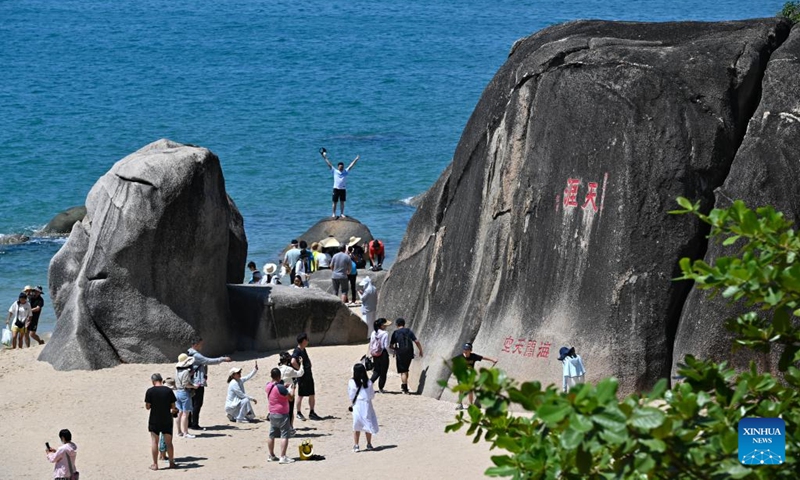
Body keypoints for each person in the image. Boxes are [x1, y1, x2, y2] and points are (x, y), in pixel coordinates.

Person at [186, 338, 232, 431]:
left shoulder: (188, 353)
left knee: (191, 403)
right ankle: (194, 424)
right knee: (197, 404)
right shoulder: (196, 355)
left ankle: (189, 423)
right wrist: (223, 359)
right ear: (195, 344)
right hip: (197, 382)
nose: (202, 346)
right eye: (200, 344)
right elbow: (208, 361)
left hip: (191, 381)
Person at [145, 373, 177, 470]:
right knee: (169, 442)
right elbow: (173, 407)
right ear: (161, 380)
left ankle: (155, 464)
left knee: (155, 442)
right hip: (166, 418)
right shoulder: (168, 390)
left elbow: (147, 407)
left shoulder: (150, 391)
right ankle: (171, 463)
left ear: (153, 381)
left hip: (154, 419)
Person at [265, 367, 295, 464]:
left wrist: (284, 387)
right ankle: (283, 456)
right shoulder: (281, 387)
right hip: (282, 414)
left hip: (272, 414)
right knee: (285, 435)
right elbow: (290, 398)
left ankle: (271, 455)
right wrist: (292, 390)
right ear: (279, 376)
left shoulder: (268, 386)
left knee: (271, 435)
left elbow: (276, 390)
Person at [320, 147, 360, 218]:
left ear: (343, 167)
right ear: (338, 167)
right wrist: (324, 157)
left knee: (342, 202)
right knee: (334, 202)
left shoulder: (345, 171)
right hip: (336, 189)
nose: (341, 168)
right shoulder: (335, 171)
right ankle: (333, 214)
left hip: (343, 189)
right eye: (340, 167)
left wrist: (356, 159)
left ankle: (342, 213)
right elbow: (329, 164)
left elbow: (351, 165)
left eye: (342, 167)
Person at [456, 343, 497, 410]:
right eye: (464, 349)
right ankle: (460, 404)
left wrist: (492, 359)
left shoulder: (473, 356)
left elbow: (483, 357)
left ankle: (471, 405)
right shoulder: (459, 357)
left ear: (470, 350)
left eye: (467, 350)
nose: (465, 351)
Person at [291, 332, 322, 421]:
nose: (308, 341)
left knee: (312, 394)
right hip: (303, 376)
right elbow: (293, 361)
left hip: (308, 375)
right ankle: (298, 413)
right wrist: (300, 370)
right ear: (303, 341)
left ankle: (312, 412)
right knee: (301, 395)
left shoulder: (303, 349)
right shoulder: (297, 350)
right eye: (307, 339)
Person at [349, 363, 378, 453]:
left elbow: (351, 395)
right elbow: (371, 395)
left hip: (357, 404)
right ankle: (369, 443)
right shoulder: (368, 382)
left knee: (356, 424)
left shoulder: (352, 382)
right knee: (368, 422)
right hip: (367, 404)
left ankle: (356, 445)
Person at [389, 318, 423, 394]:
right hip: (409, 353)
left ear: (397, 324)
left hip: (400, 353)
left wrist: (395, 348)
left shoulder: (395, 333)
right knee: (406, 369)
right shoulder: (408, 331)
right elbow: (416, 341)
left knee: (403, 371)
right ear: (404, 324)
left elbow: (391, 346)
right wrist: (420, 350)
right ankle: (404, 384)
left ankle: (405, 389)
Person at [277, 351, 304, 433]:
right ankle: (289, 427)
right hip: (289, 392)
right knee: (290, 410)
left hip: (278, 391)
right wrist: (301, 363)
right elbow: (300, 373)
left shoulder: (277, 369)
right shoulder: (289, 369)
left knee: (281, 410)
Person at [174, 353, 197, 438]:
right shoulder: (186, 372)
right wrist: (194, 386)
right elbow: (185, 384)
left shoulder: (177, 370)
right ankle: (185, 433)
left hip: (177, 392)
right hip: (184, 393)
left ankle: (179, 432)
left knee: (179, 413)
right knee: (185, 414)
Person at [369, 318, 392, 393]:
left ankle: (368, 385)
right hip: (383, 354)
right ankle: (381, 388)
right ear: (382, 325)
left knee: (376, 371)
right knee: (383, 372)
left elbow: (371, 343)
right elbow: (386, 346)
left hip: (375, 353)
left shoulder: (373, 333)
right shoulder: (385, 333)